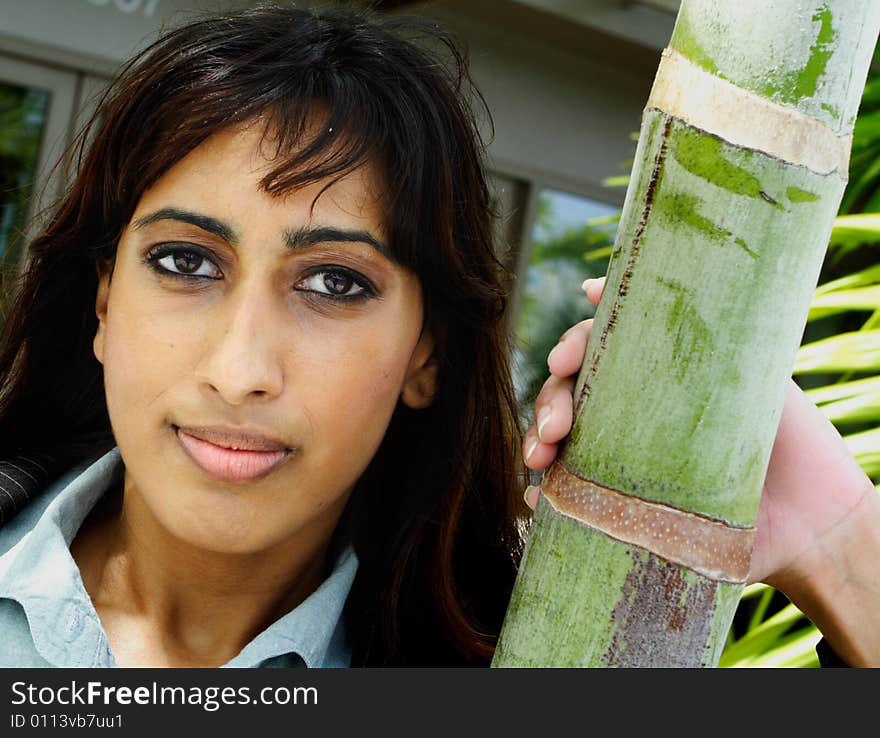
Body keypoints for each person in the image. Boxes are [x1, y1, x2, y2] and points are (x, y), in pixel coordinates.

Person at [0, 2, 876, 668]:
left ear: (427, 353)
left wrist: (841, 545)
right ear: (104, 302)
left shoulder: (524, 665)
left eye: (335, 282)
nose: (239, 371)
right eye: (187, 263)